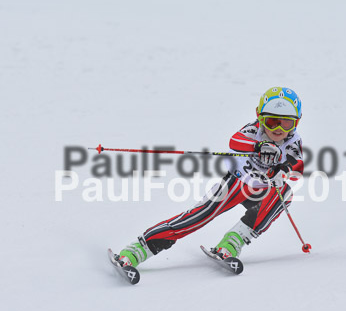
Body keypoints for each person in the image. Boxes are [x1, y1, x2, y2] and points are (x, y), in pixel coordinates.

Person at [115, 86, 305, 267]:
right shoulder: (255, 130)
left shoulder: (293, 141)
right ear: (259, 116)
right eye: (272, 121)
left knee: (285, 194)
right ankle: (138, 249)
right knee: (200, 216)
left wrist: (284, 170)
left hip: (263, 189)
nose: (279, 128)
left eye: (287, 122)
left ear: (297, 121)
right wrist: (257, 147)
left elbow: (298, 166)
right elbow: (235, 141)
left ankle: (232, 243)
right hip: (237, 183)